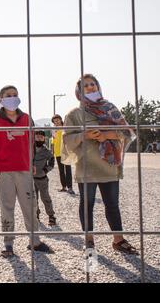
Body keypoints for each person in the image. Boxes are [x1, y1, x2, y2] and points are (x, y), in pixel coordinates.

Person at [62, 73, 138, 254]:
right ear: (78, 91)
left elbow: (126, 132)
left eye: (92, 84)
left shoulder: (111, 109)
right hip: (86, 166)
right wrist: (85, 135)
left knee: (112, 204)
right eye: (85, 85)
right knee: (86, 204)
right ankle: (88, 240)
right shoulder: (74, 114)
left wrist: (105, 135)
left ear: (98, 86)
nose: (90, 87)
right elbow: (67, 140)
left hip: (109, 165)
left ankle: (118, 240)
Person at [0, 85, 54, 257]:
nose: (12, 98)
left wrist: (32, 162)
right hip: (3, 171)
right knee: (7, 208)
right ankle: (8, 244)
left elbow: (31, 144)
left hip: (24, 170)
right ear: (1, 99)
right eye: (8, 95)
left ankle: (35, 241)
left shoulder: (27, 119)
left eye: (15, 95)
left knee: (30, 206)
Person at [33, 130, 57, 226]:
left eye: (41, 137)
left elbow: (51, 162)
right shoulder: (29, 149)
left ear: (44, 139)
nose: (39, 139)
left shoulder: (47, 151)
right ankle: (36, 215)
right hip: (31, 179)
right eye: (37, 137)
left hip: (42, 179)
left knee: (46, 198)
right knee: (33, 199)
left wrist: (45, 171)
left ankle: (51, 216)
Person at [51, 114, 75, 195]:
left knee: (68, 170)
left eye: (57, 120)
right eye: (54, 121)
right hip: (57, 152)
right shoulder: (53, 130)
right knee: (61, 170)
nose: (56, 122)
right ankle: (64, 187)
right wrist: (52, 152)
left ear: (61, 119)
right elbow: (53, 142)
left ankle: (70, 187)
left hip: (66, 151)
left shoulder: (65, 128)